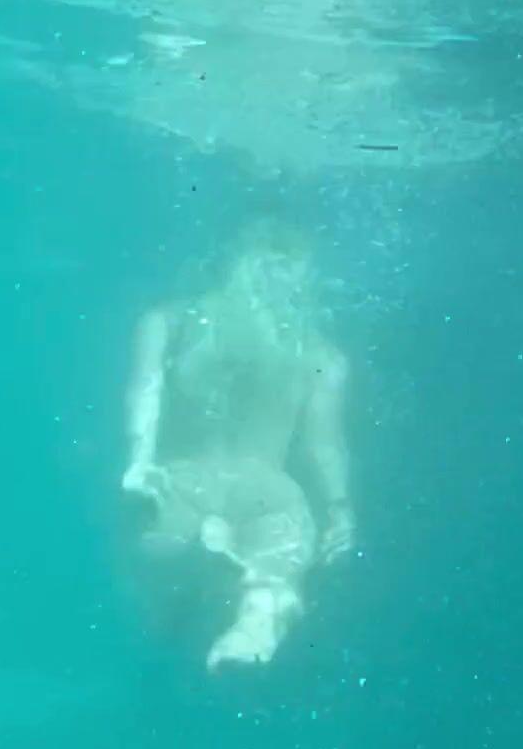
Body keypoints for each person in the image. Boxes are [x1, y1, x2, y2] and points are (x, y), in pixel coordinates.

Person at [120, 218, 355, 670]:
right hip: (270, 496)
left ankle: (208, 561)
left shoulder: (169, 321)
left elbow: (145, 392)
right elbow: (325, 445)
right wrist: (339, 509)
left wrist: (138, 463)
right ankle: (255, 621)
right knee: (272, 581)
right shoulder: (322, 356)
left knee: (157, 574)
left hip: (184, 483)